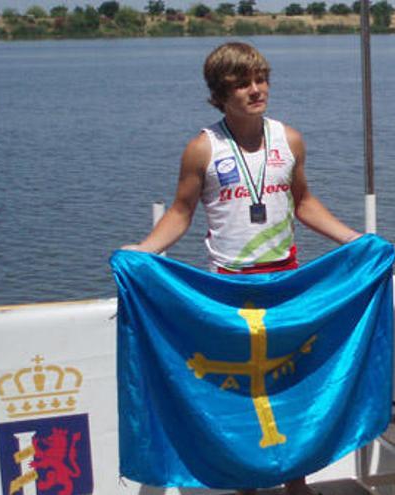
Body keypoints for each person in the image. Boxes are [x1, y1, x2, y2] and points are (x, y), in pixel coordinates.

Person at [122, 41, 361, 495]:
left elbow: (305, 204)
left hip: (284, 284)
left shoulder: (289, 140)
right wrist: (143, 250)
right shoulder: (201, 148)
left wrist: (356, 241)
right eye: (242, 84)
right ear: (220, 93)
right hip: (228, 288)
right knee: (242, 396)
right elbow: (180, 212)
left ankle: (297, 482)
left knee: (288, 385)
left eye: (261, 79)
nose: (256, 90)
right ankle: (245, 483)